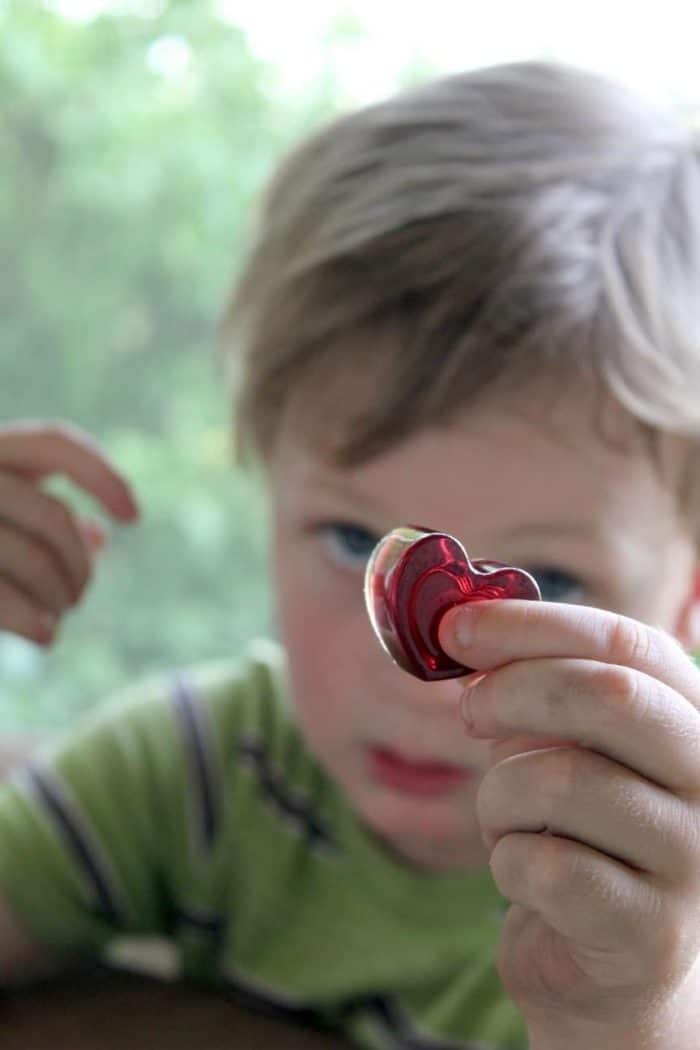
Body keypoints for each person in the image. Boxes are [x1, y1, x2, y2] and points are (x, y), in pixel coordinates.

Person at [1, 60, 700, 1049]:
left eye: (546, 585)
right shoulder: (194, 779)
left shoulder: (673, 897)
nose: (422, 674)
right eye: (350, 542)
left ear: (687, 596)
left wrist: (636, 1011)